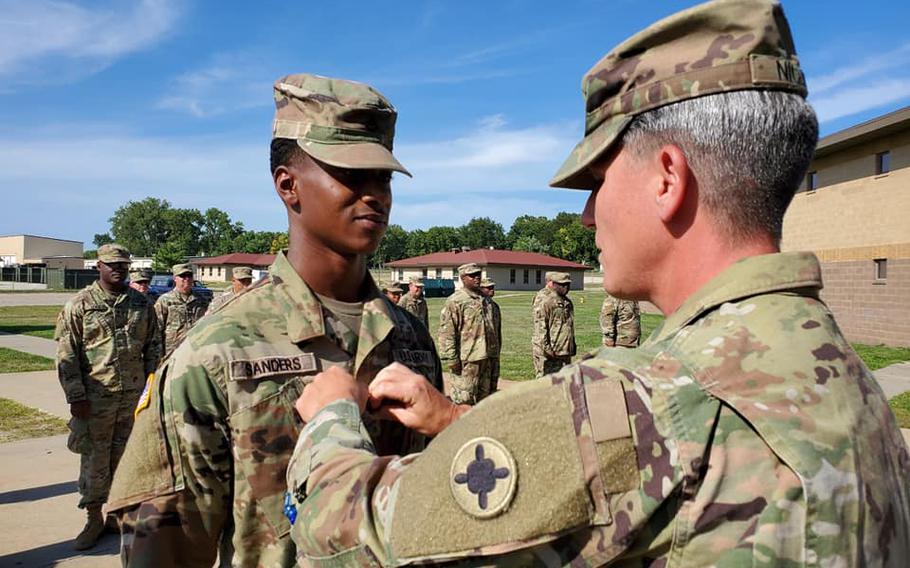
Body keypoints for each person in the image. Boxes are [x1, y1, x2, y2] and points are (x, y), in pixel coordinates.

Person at [284, 1, 910, 565]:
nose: (587, 216)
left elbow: (352, 530)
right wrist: (455, 420)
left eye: (597, 182)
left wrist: (331, 417)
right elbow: (613, 472)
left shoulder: (650, 399)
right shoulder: (840, 377)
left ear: (667, 177)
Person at [107, 73, 444, 567]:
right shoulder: (217, 351)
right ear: (289, 186)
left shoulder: (409, 334)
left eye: (383, 177)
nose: (374, 194)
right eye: (351, 175)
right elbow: (167, 551)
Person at [54, 243, 160, 550]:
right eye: (112, 264)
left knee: (128, 459)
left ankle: (118, 515)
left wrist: (151, 388)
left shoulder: (141, 304)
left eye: (123, 265)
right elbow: (66, 356)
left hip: (133, 399)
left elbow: (154, 346)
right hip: (95, 399)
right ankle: (93, 517)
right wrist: (76, 397)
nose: (118, 269)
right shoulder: (80, 305)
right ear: (98, 266)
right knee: (94, 460)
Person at [438, 263, 494, 404]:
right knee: (464, 399)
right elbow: (447, 332)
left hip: (486, 357)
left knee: (485, 397)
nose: (477, 278)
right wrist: (452, 359)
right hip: (466, 359)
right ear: (463, 278)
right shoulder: (456, 301)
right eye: (472, 275)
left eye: (478, 275)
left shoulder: (486, 301)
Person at [154, 263, 210, 357]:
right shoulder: (165, 300)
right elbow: (157, 329)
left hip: (196, 349)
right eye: (183, 276)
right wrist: (158, 355)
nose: (187, 279)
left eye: (189, 276)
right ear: (175, 278)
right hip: (172, 350)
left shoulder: (201, 300)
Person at [531, 271, 576, 378]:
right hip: (550, 352)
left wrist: (571, 345)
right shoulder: (545, 300)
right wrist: (547, 349)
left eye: (568, 284)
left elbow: (568, 325)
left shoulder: (566, 302)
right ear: (553, 284)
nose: (566, 287)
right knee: (546, 384)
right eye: (562, 284)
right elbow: (541, 327)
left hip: (563, 350)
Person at [479, 278, 502, 393]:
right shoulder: (477, 306)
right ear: (481, 289)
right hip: (482, 351)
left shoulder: (495, 306)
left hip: (494, 350)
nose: (492, 290)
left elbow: (498, 330)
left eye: (493, 287)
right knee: (482, 384)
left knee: (493, 382)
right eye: (489, 288)